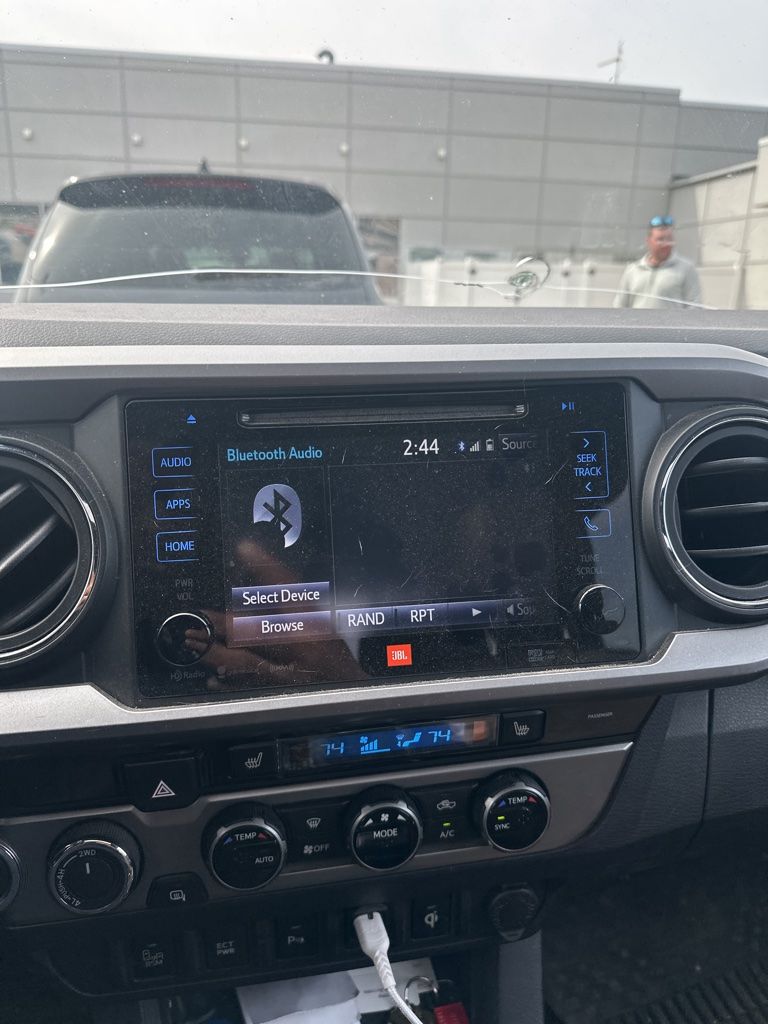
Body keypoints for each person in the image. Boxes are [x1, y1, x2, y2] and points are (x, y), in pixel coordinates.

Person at [614, 216, 701, 309]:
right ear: (648, 241)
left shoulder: (686, 269)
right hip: (637, 319)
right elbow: (620, 306)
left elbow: (695, 306)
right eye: (660, 239)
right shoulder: (632, 270)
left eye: (669, 239)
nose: (665, 244)